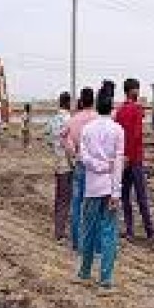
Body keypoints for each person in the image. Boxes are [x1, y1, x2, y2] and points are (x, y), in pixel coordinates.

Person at [76, 90, 124, 292]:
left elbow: (83, 157)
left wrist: (98, 166)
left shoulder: (87, 130)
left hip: (92, 187)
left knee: (88, 230)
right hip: (109, 187)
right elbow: (119, 162)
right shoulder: (118, 130)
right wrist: (116, 192)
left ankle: (85, 272)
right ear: (112, 107)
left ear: (96, 106)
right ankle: (105, 280)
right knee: (108, 233)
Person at [115, 78, 154, 241]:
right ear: (132, 91)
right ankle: (149, 231)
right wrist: (130, 156)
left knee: (125, 197)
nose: (138, 92)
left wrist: (123, 157)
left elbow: (120, 137)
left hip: (123, 160)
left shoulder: (119, 111)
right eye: (137, 89)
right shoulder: (137, 110)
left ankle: (130, 231)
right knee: (141, 196)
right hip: (135, 159)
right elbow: (136, 135)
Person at [62, 87, 98, 251]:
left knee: (77, 204)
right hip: (95, 168)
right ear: (93, 101)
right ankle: (93, 243)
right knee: (94, 205)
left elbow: (64, 139)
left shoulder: (73, 120)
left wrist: (74, 155)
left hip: (80, 164)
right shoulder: (98, 119)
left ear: (81, 102)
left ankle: (77, 242)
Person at [48, 92, 72, 242]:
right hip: (67, 164)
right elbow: (69, 144)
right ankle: (60, 232)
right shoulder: (69, 120)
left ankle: (58, 228)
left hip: (57, 162)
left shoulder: (53, 120)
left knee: (59, 198)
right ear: (68, 103)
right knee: (66, 199)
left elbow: (49, 140)